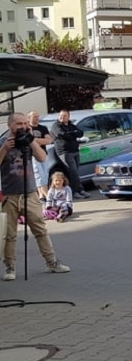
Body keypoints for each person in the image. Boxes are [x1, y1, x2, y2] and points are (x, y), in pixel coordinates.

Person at [2, 112, 72, 281]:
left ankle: (52, 262)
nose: (23, 126)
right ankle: (10, 267)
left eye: (25, 123)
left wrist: (32, 141)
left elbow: (42, 158)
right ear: (10, 125)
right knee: (9, 235)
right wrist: (5, 148)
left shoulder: (28, 140)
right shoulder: (3, 142)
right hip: (8, 195)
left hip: (30, 193)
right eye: (19, 124)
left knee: (40, 230)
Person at [50, 110, 89, 199]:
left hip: (75, 151)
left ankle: (80, 190)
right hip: (65, 152)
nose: (62, 117)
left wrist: (72, 134)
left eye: (64, 116)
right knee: (72, 172)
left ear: (68, 117)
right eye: (60, 115)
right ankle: (74, 191)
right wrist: (73, 134)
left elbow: (80, 133)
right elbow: (62, 135)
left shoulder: (71, 125)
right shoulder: (56, 126)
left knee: (75, 172)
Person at [27, 111, 53, 200]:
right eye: (34, 116)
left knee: (45, 174)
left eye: (38, 116)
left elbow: (49, 140)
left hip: (44, 154)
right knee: (39, 174)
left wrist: (34, 140)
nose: (37, 118)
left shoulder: (43, 128)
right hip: (32, 155)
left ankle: (42, 195)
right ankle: (46, 195)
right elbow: (28, 141)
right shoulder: (27, 128)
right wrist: (40, 140)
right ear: (29, 118)